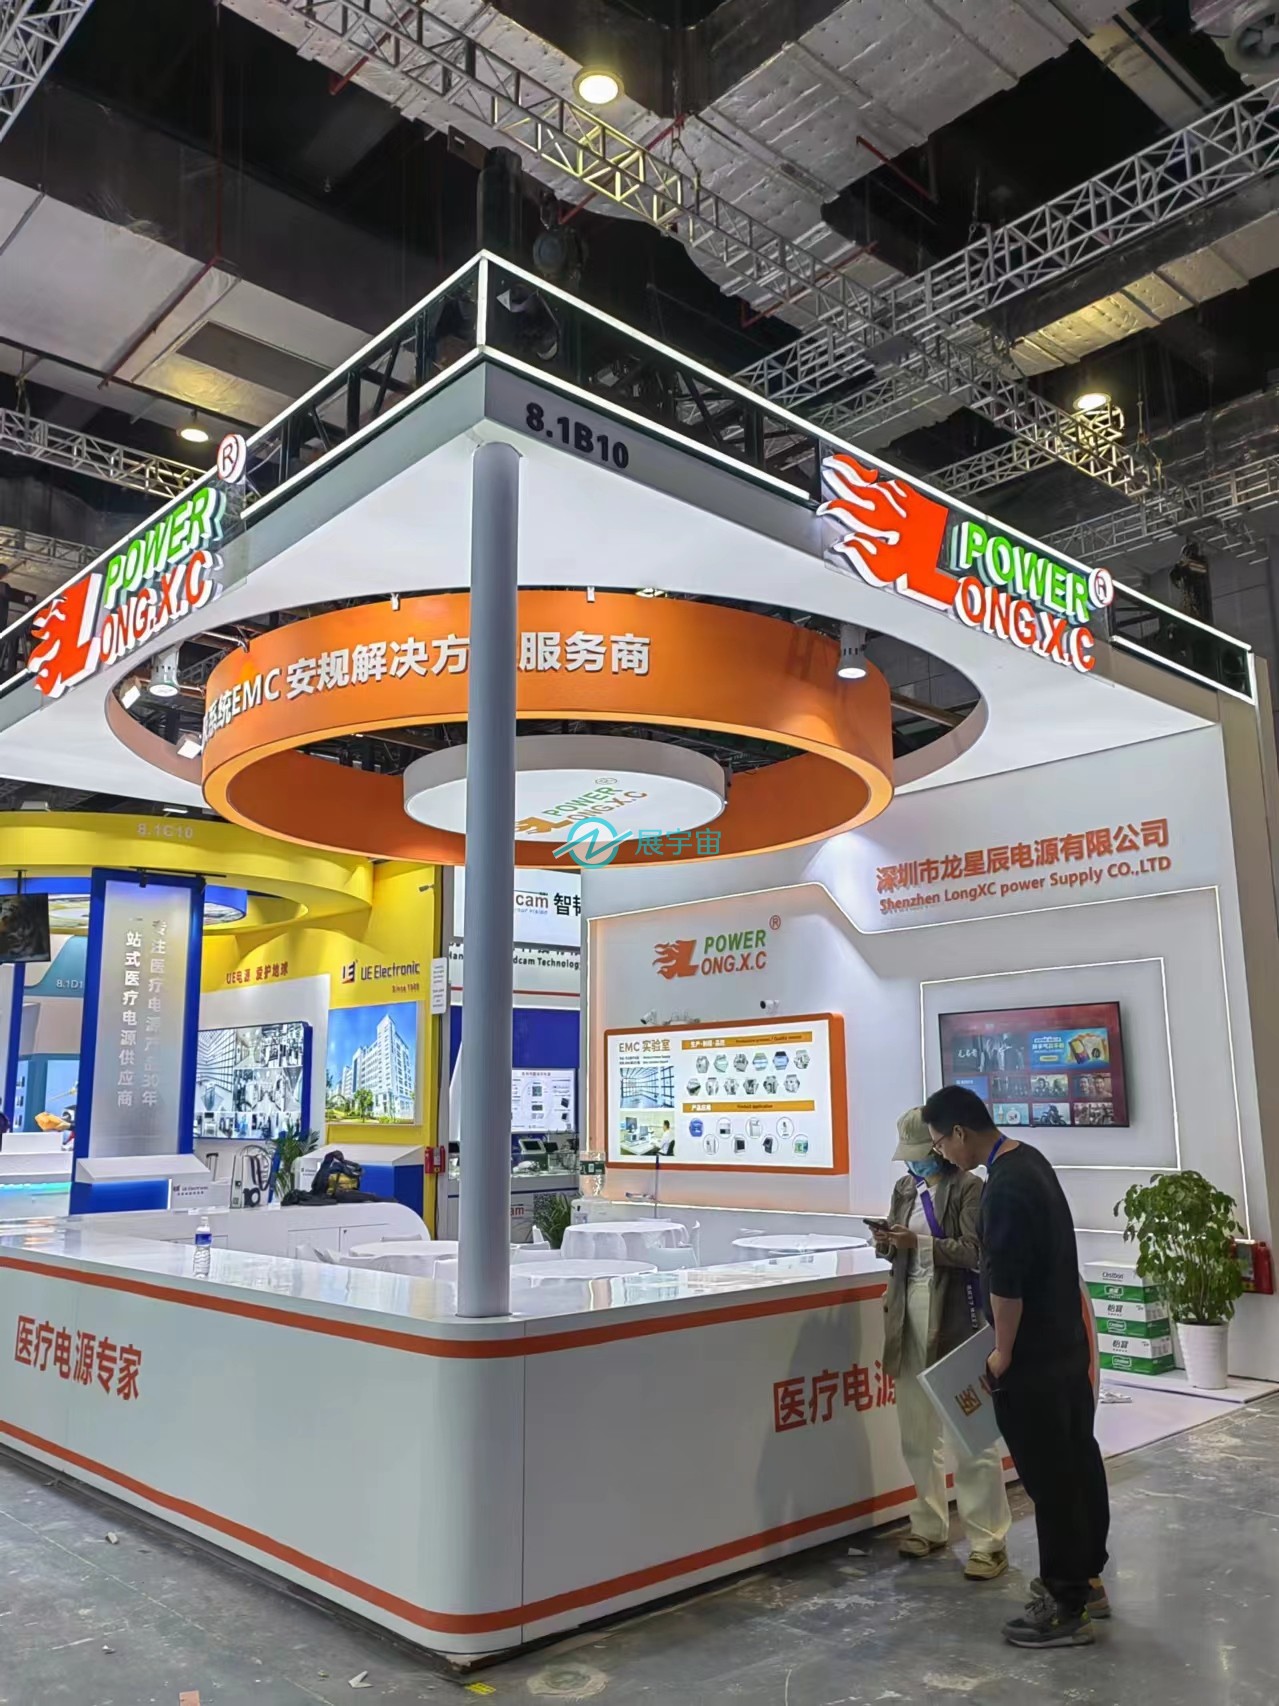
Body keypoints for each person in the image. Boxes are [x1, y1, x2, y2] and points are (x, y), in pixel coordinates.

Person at [924, 1085, 1110, 1650]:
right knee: (1077, 1461)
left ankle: (1065, 1605)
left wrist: (1002, 1352)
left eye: (940, 1142)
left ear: (960, 1132)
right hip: (1066, 1348)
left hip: (1032, 1359)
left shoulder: (1002, 1189)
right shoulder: (1031, 1162)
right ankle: (1088, 1579)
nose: (941, 1153)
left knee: (1050, 1480)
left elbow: (1006, 1285)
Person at [875, 1107, 1011, 1581]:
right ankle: (928, 1524)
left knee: (969, 1436)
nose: (914, 1164)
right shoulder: (904, 1189)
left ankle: (987, 1541)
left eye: (921, 1153)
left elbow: (975, 1251)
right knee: (916, 1432)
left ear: (939, 1145)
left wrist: (920, 1245)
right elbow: (896, 1250)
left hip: (956, 1316)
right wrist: (887, 1242)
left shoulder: (970, 1187)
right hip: (906, 1315)